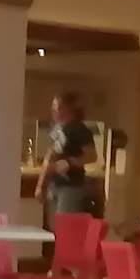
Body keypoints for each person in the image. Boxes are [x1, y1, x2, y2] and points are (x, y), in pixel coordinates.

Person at [37, 92, 100, 231]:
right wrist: (41, 184)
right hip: (54, 184)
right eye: (53, 107)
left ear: (69, 108)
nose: (54, 111)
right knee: (52, 227)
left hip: (70, 186)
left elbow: (91, 155)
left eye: (58, 107)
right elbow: (49, 157)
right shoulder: (57, 129)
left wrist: (70, 162)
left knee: (64, 227)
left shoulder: (79, 129)